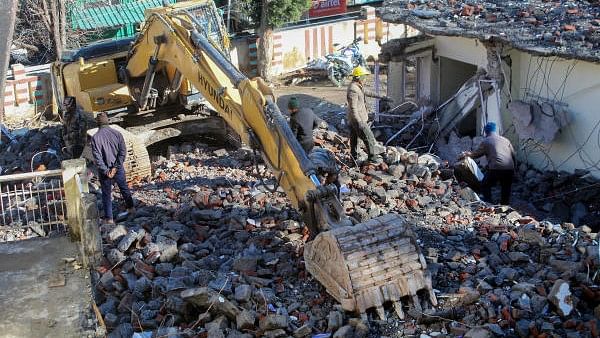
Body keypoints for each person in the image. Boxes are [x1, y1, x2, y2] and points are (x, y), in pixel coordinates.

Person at [91, 112, 134, 224]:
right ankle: (131, 209)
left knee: (106, 194)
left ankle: (109, 219)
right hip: (118, 168)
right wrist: (115, 167)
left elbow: (97, 157)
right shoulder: (117, 134)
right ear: (108, 121)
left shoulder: (95, 138)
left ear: (98, 123)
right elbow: (122, 152)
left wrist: (106, 171)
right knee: (124, 188)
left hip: (104, 171)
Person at [460, 122, 516, 205]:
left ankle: (488, 202)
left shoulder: (486, 141)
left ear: (486, 132)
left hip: (496, 168)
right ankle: (505, 205)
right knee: (506, 187)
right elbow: (513, 155)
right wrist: (515, 169)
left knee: (485, 184)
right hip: (510, 168)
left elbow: (476, 155)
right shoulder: (506, 140)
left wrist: (467, 154)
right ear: (496, 131)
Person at [346, 66, 390, 164]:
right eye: (364, 77)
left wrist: (382, 97)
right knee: (368, 137)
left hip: (355, 119)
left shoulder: (357, 86)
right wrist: (359, 122)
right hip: (357, 119)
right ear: (358, 77)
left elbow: (368, 92)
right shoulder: (353, 89)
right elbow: (353, 108)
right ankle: (372, 157)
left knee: (354, 139)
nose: (365, 79)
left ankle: (353, 158)